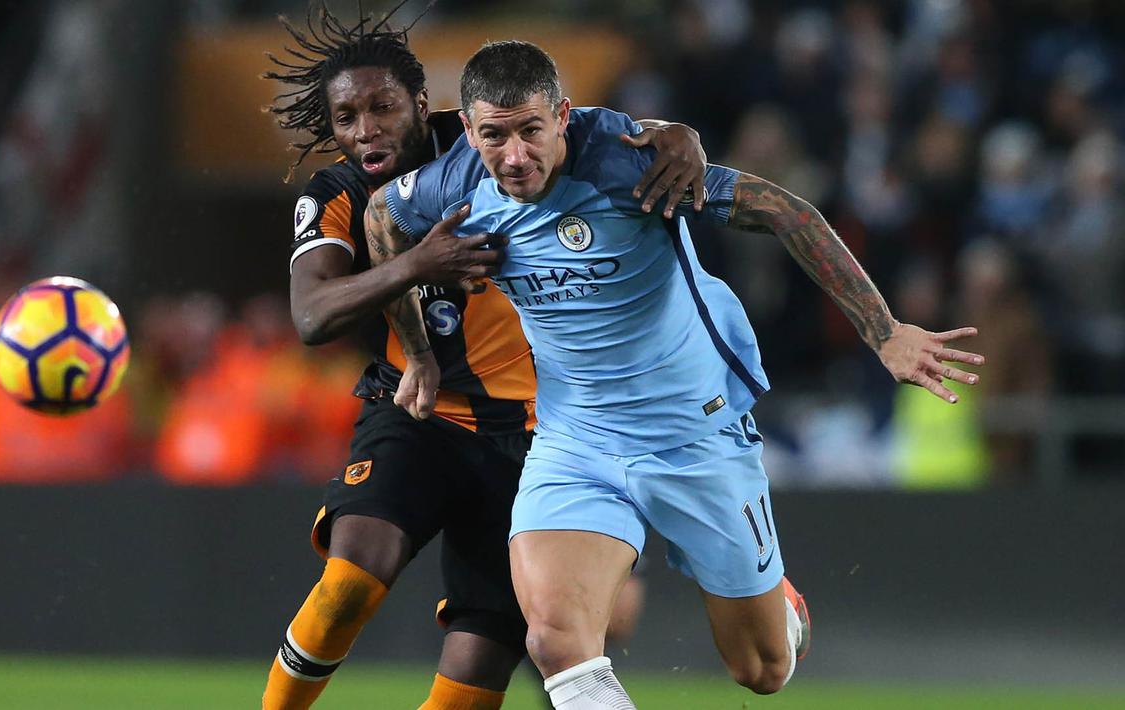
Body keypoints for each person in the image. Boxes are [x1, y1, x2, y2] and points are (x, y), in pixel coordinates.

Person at [367, 41, 985, 708]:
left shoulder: (628, 163)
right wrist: (419, 353)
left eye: (530, 131)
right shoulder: (452, 186)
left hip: (695, 435)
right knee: (555, 642)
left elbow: (784, 211)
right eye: (494, 135)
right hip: (576, 441)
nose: (514, 156)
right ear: (467, 129)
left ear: (562, 116)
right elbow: (381, 220)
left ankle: (778, 605)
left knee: (761, 670)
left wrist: (883, 331)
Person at [259, 7, 712, 709]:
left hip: (538, 436)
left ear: (422, 104)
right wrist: (418, 264)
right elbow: (312, 315)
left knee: (478, 671)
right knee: (350, 580)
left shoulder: (487, 144)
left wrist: (678, 134)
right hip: (419, 412)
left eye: (382, 108)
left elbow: (582, 127)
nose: (365, 130)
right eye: (346, 117)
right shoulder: (337, 195)